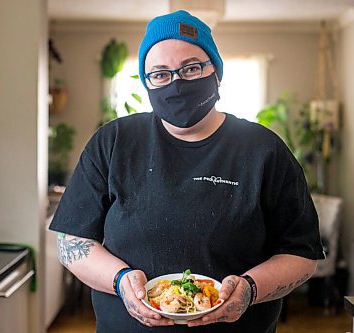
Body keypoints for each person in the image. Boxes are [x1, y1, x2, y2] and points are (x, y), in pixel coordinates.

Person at [49, 10, 325, 333]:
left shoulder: (265, 151)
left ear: (216, 73)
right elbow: (71, 240)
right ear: (147, 81)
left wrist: (250, 290)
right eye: (161, 74)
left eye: (191, 68)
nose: (176, 83)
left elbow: (302, 253)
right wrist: (121, 280)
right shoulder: (113, 143)